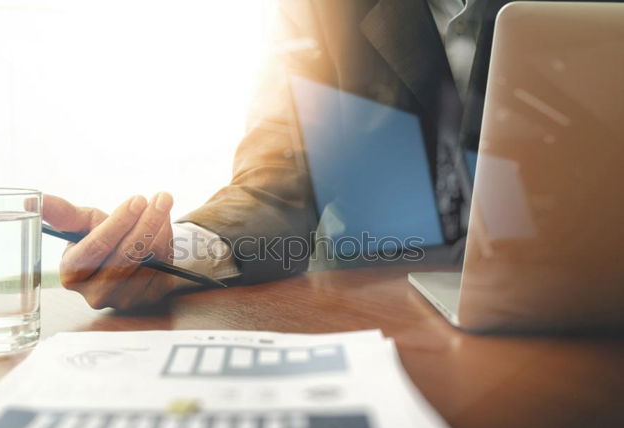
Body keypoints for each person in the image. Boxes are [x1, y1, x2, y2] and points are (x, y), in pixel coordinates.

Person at [42, 0, 515, 309]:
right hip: (368, 310)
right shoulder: (319, 8)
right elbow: (278, 172)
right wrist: (174, 253)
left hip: (571, 304)